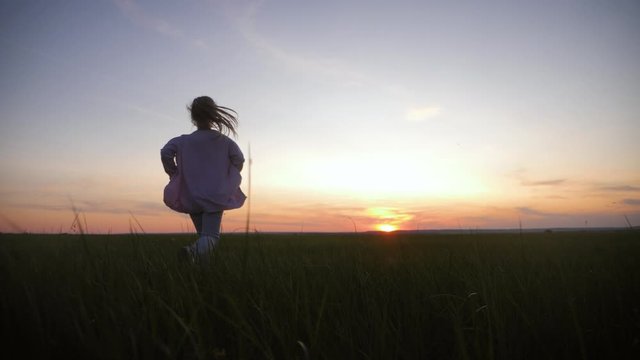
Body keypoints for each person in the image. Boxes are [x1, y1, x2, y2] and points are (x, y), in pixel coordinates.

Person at [161, 96, 246, 261]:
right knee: (211, 237)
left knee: (203, 236)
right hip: (216, 194)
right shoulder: (225, 142)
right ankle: (190, 253)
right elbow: (239, 160)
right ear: (213, 115)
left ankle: (201, 270)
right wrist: (228, 177)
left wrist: (175, 173)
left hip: (191, 194)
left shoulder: (182, 141)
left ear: (193, 117)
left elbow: (165, 153)